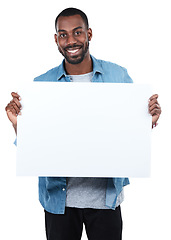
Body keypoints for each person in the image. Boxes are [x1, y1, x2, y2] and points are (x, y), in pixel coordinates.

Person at [5, 7, 161, 240]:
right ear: (56, 39)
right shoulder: (41, 85)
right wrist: (18, 123)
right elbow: (34, 148)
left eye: (77, 32)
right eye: (63, 34)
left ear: (89, 33)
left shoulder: (118, 76)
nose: (71, 40)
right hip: (59, 201)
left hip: (105, 198)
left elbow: (127, 135)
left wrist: (146, 121)